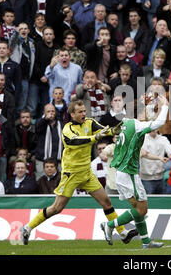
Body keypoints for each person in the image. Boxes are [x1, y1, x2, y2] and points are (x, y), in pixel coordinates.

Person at [21, 99, 137, 245]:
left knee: (106, 202)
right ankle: (27, 228)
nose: (84, 114)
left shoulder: (89, 122)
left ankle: (122, 233)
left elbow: (103, 130)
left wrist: (113, 130)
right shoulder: (67, 129)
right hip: (72, 174)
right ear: (72, 114)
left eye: (84, 111)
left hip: (86, 173)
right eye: (80, 112)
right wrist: (96, 137)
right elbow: (76, 141)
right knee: (57, 208)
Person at [100, 94, 169, 249]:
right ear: (141, 113)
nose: (149, 114)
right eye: (147, 111)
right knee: (142, 209)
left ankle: (145, 242)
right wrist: (165, 105)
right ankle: (110, 224)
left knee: (137, 208)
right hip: (128, 173)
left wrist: (146, 102)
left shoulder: (126, 122)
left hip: (122, 171)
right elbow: (160, 122)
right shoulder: (137, 125)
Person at [34, 103, 63, 179]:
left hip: (58, 162)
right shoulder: (40, 122)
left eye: (53, 111)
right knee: (42, 185)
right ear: (44, 113)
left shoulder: (61, 124)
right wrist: (45, 119)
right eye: (48, 111)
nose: (51, 113)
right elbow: (37, 128)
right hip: (42, 161)